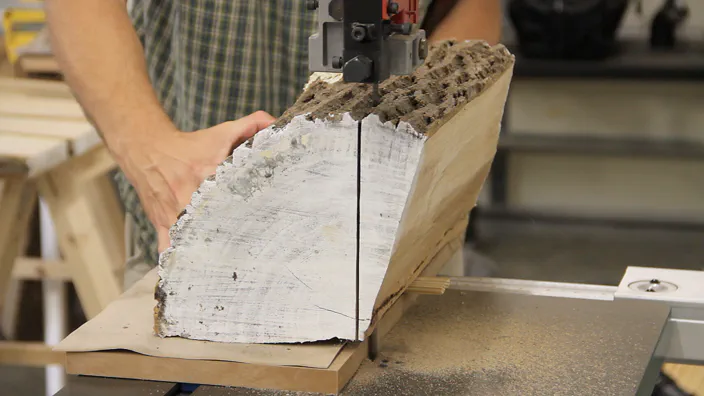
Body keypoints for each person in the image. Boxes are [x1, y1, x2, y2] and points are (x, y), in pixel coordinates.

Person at [45, 0, 502, 289]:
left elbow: (468, 9)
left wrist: (435, 126)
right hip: (197, 235)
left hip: (404, 247)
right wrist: (150, 151)